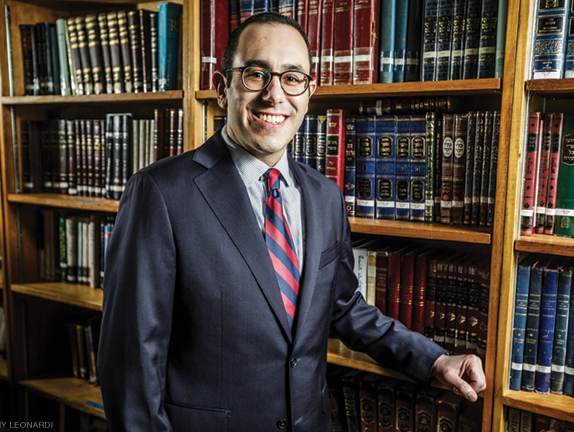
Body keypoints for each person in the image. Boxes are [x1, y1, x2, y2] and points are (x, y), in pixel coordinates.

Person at [97, 12, 486, 432]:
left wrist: (435, 359)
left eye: (292, 78)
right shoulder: (160, 193)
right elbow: (131, 360)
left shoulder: (324, 195)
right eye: (255, 74)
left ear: (309, 91)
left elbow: (341, 306)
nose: (274, 95)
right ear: (222, 89)